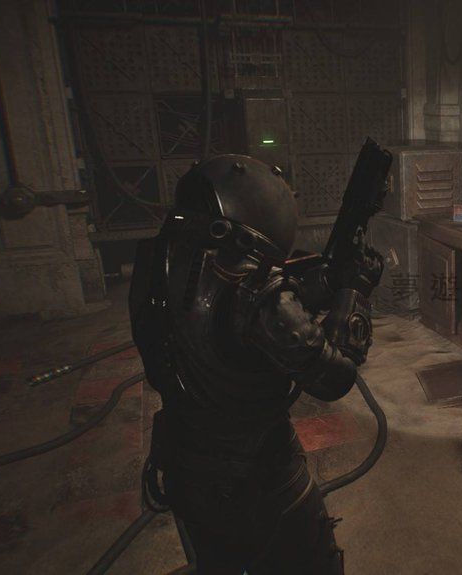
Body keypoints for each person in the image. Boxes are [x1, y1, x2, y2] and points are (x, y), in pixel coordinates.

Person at [128, 155, 382, 574]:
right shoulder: (255, 289)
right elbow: (334, 377)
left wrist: (326, 281)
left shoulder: (161, 258)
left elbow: (247, 321)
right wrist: (355, 292)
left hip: (184, 462)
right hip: (259, 477)